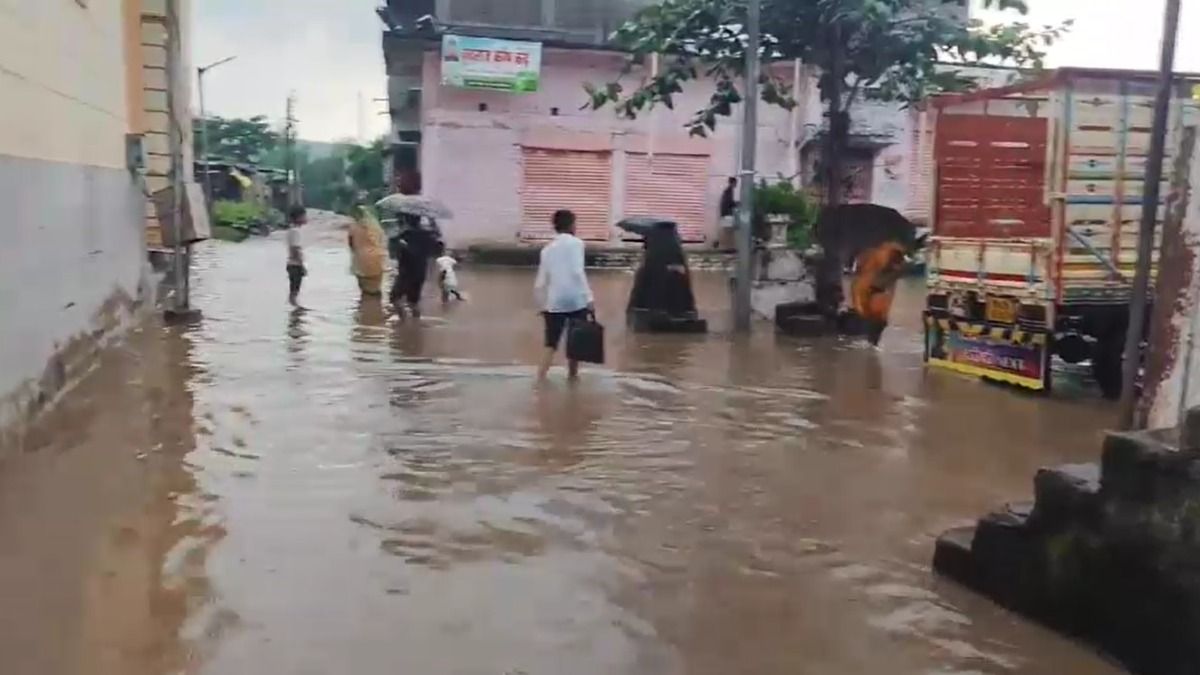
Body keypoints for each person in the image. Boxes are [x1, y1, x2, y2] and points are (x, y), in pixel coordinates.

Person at [534, 209, 594, 381]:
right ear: (571, 225)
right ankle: (572, 378)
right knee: (575, 343)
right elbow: (577, 272)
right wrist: (589, 297)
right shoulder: (577, 244)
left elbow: (540, 281)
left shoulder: (547, 250)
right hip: (576, 300)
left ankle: (539, 380)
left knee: (550, 344)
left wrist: (541, 304)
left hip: (555, 301)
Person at [388, 173, 441, 317]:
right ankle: (413, 317)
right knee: (416, 279)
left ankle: (404, 318)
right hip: (419, 246)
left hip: (408, 245)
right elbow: (434, 229)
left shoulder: (401, 204)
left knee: (404, 279)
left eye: (399, 184)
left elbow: (395, 228)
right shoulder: (424, 205)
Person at [348, 205, 388, 296]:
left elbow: (351, 243)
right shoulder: (375, 226)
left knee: (364, 289)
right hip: (377, 256)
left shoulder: (353, 227)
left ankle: (366, 303)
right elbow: (382, 240)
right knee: (376, 287)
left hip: (361, 257)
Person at [285, 205, 307, 307]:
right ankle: (296, 310)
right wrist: (302, 265)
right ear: (298, 217)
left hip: (292, 265)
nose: (306, 218)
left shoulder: (292, 230)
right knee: (294, 292)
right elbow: (295, 249)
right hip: (295, 265)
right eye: (304, 216)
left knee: (294, 291)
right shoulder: (295, 231)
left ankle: (295, 310)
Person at [717, 176, 738, 250]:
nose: (736, 185)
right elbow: (729, 202)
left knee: (728, 231)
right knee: (728, 231)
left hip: (725, 213)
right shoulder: (729, 191)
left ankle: (727, 247)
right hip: (726, 214)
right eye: (735, 183)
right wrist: (737, 204)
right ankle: (728, 247)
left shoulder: (728, 191)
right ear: (733, 183)